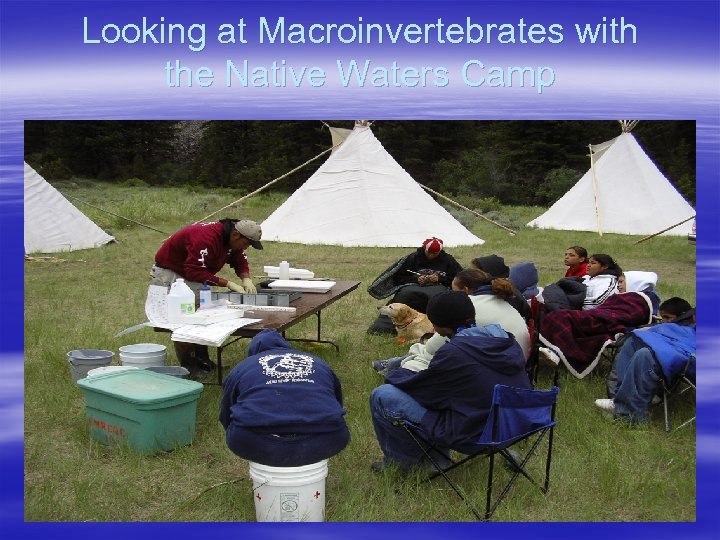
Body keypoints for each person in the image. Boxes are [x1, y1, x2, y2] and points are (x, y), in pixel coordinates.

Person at [369, 291, 531, 472]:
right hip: (513, 426)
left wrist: (398, 374)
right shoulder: (506, 339)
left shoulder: (455, 352)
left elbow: (425, 392)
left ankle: (415, 463)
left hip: (476, 435)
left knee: (382, 395)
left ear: (437, 326)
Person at [219, 329, 350, 467]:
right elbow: (337, 403)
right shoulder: (318, 363)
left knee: (239, 431)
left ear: (254, 353)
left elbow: (226, 413)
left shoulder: (243, 367)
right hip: (329, 439)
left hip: (254, 443)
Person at [151, 218, 263, 376]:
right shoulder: (206, 238)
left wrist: (246, 277)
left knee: (201, 315)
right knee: (183, 320)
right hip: (172, 273)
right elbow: (193, 270)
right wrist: (227, 283)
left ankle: (203, 360)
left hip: (190, 274)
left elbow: (239, 258)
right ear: (236, 234)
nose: (246, 248)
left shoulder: (231, 238)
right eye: (246, 244)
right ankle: (188, 366)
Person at [594, 298, 695, 424]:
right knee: (633, 341)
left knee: (645, 354)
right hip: (678, 346)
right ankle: (618, 397)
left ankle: (632, 417)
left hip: (693, 355)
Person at [368, 237, 463, 335]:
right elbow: (398, 278)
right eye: (428, 252)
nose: (431, 255)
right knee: (404, 295)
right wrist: (415, 279)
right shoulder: (413, 258)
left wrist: (440, 279)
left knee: (437, 299)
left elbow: (458, 279)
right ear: (424, 248)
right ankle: (386, 328)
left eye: (434, 253)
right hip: (412, 287)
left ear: (440, 251)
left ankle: (435, 328)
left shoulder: (448, 260)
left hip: (438, 288)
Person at [452, 269, 531, 360]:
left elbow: (436, 347)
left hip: (506, 364)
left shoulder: (470, 304)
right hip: (520, 358)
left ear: (465, 290)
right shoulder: (497, 298)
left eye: (454, 291)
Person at [470, 255, 532, 322]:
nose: (471, 275)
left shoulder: (491, 293)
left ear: (486, 274)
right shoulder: (511, 289)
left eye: (475, 272)